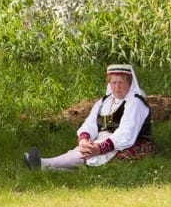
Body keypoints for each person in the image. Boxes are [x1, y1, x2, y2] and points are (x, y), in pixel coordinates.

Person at [24, 63, 155, 170]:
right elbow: (90, 123)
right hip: (103, 139)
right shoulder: (104, 101)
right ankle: (47, 168)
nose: (117, 87)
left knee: (88, 154)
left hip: (129, 142)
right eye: (113, 83)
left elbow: (127, 132)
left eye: (121, 82)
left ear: (129, 83)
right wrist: (84, 140)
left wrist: (100, 147)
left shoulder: (135, 102)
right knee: (85, 150)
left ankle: (44, 164)